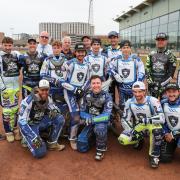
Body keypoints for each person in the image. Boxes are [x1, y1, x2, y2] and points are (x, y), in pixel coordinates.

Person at [118, 81, 165, 168]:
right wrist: (131, 130)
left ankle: (154, 156)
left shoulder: (153, 101)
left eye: (140, 91)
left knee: (157, 131)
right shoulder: (129, 102)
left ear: (145, 91)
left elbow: (162, 118)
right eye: (135, 92)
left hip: (152, 126)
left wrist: (147, 120)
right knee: (123, 139)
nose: (137, 94)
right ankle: (139, 139)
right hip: (139, 127)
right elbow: (125, 119)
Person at [18, 80, 65, 158]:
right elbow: (21, 122)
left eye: (46, 90)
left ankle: (52, 143)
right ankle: (27, 138)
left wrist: (53, 112)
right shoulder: (28, 101)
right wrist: (33, 138)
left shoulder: (48, 99)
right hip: (30, 126)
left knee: (59, 118)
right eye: (42, 90)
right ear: (38, 89)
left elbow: (56, 110)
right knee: (40, 152)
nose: (44, 92)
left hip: (41, 122)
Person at [58, 43, 90, 150]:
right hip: (70, 92)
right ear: (75, 52)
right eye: (78, 52)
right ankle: (72, 139)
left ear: (85, 53)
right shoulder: (69, 63)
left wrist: (82, 89)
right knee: (75, 115)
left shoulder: (87, 64)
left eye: (82, 52)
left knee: (83, 113)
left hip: (81, 93)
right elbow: (62, 81)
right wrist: (75, 89)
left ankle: (79, 132)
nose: (80, 54)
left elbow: (88, 80)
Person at [77, 75, 113, 160]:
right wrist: (87, 117)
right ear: (90, 84)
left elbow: (107, 116)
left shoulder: (107, 96)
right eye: (93, 83)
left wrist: (92, 120)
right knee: (81, 147)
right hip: (89, 121)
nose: (96, 85)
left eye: (98, 83)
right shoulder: (86, 95)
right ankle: (93, 139)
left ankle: (101, 148)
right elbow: (82, 111)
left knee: (99, 128)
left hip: (102, 122)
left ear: (101, 84)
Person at [109, 40, 145, 110]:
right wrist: (115, 74)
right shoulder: (117, 58)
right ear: (121, 49)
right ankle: (123, 120)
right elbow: (110, 67)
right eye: (124, 47)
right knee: (122, 106)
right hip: (122, 88)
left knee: (135, 106)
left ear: (130, 48)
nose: (126, 49)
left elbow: (142, 69)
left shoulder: (135, 59)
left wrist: (139, 81)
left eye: (127, 47)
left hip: (133, 89)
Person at [0, 37, 22, 142]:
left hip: (15, 87)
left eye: (10, 45)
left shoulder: (16, 54)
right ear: (2, 45)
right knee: (7, 110)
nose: (8, 47)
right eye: (6, 45)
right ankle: (8, 131)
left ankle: (14, 128)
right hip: (5, 89)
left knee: (15, 109)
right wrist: (2, 87)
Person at [40, 40, 68, 119]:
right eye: (54, 48)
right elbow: (42, 75)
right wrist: (53, 80)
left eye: (58, 48)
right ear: (52, 48)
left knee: (63, 107)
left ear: (61, 48)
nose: (56, 50)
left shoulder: (66, 59)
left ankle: (63, 126)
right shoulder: (47, 60)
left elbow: (69, 73)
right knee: (51, 107)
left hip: (63, 88)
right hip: (52, 88)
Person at [146, 32, 177, 99]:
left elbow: (171, 74)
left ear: (166, 41)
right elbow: (147, 69)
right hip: (152, 85)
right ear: (155, 41)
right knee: (152, 105)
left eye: (162, 39)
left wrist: (161, 84)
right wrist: (151, 82)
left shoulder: (171, 55)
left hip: (165, 86)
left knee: (165, 105)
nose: (160, 41)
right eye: (158, 40)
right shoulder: (151, 54)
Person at [160, 83, 180, 163]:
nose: (171, 94)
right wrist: (165, 132)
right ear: (166, 93)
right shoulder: (163, 103)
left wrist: (174, 134)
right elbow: (161, 120)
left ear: (178, 92)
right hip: (169, 133)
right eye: (169, 92)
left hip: (177, 133)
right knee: (165, 158)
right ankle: (173, 144)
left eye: (174, 92)